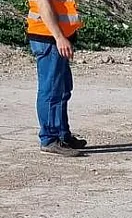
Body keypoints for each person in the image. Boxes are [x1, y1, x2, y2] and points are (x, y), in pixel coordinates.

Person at [26, 0, 87, 157]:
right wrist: (59, 37)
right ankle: (49, 139)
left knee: (62, 90)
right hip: (49, 37)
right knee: (51, 91)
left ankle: (62, 135)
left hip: (55, 37)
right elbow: (44, 5)